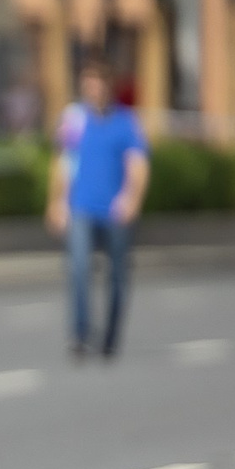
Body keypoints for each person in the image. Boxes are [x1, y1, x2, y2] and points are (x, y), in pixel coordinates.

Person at [45, 61, 149, 361]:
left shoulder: (125, 122)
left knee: (117, 275)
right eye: (87, 84)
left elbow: (138, 165)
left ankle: (111, 338)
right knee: (78, 269)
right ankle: (79, 334)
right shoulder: (74, 119)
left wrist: (131, 199)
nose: (92, 90)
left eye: (97, 84)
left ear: (108, 86)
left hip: (114, 211)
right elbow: (64, 161)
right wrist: (56, 201)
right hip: (81, 207)